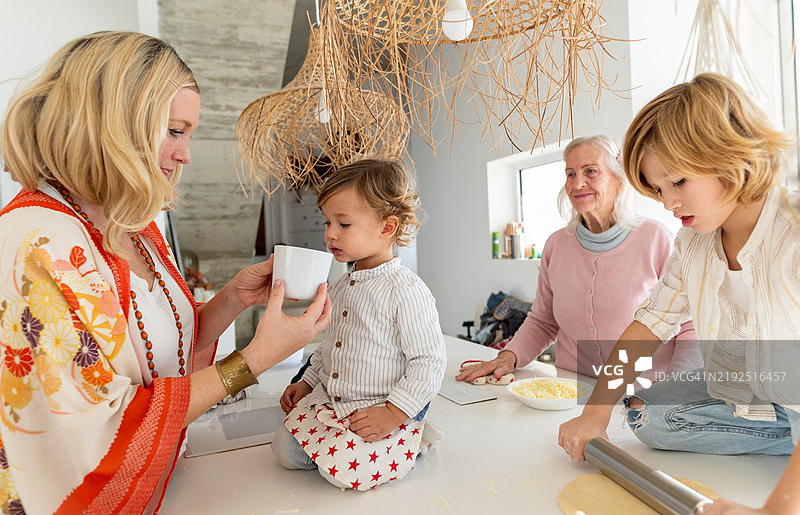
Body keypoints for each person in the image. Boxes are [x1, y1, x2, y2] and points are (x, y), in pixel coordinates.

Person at [0, 31, 331, 514]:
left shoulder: (134, 227)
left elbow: (157, 349)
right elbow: (100, 427)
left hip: (169, 488)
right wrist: (254, 360)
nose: (186, 155)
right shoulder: (37, 242)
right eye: (175, 131)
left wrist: (232, 300)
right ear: (111, 124)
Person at [558, 73, 800, 515]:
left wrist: (777, 508)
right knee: (646, 414)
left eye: (679, 183)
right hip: (751, 391)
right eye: (658, 189)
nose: (668, 203)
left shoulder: (793, 233)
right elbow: (649, 323)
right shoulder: (693, 244)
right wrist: (595, 414)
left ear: (729, 155)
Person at [457, 135, 702, 385]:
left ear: (619, 180)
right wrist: (509, 355)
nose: (578, 183)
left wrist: (674, 388)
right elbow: (543, 320)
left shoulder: (656, 238)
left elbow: (689, 326)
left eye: (591, 171)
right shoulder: (555, 245)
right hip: (572, 392)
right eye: (570, 173)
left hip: (644, 397)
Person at [271, 159, 447, 491]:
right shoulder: (339, 286)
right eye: (326, 222)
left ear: (387, 227)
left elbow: (429, 362)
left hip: (379, 409)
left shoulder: (405, 291)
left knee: (340, 475)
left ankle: (412, 437)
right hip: (334, 403)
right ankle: (350, 449)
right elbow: (328, 348)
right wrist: (307, 384)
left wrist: (393, 414)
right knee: (284, 451)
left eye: (343, 224)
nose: (329, 234)